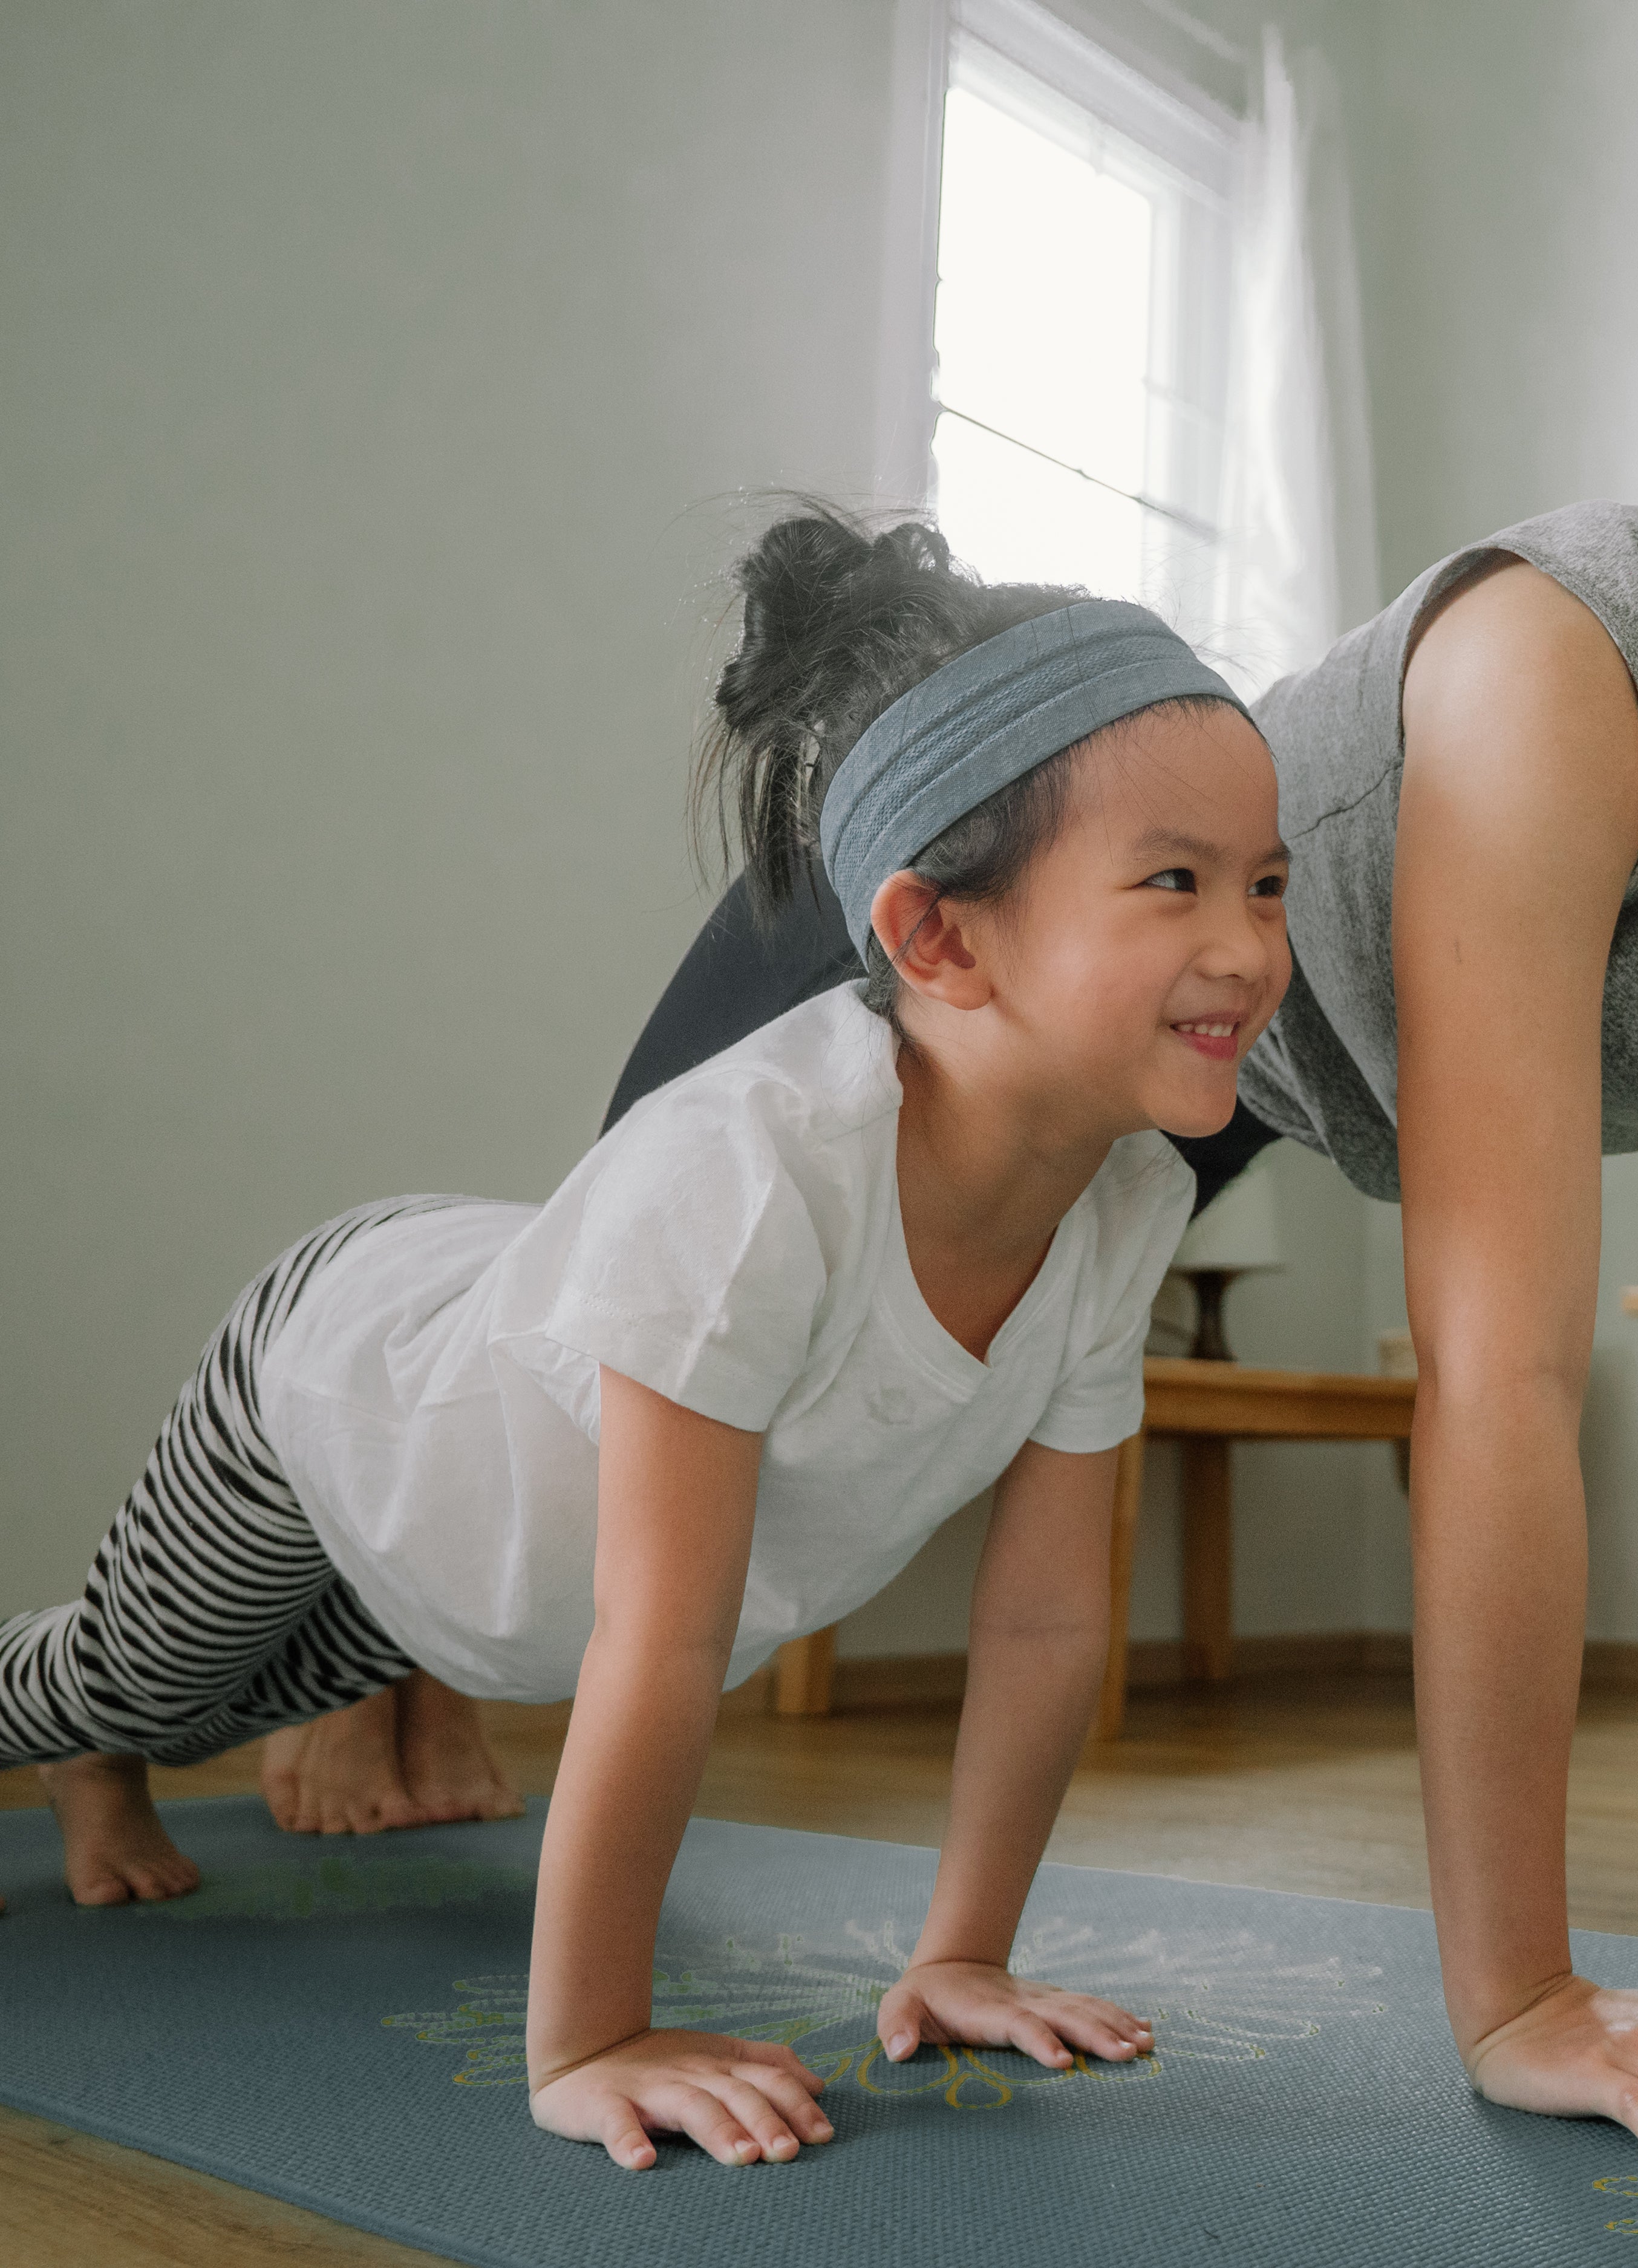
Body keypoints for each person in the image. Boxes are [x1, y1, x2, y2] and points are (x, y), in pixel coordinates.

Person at [317, 336, 1638, 2172]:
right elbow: (1504, 1369)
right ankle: (376, 1648)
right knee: (571, 1383)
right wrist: (1518, 1993)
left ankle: (434, 1680)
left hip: (1234, 1078)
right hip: (1018, 957)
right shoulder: (1585, 663)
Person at [0, 526, 1295, 2173]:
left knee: (252, 1685)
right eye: (1176, 882)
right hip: (336, 1388)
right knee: (138, 1675)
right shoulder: (758, 1172)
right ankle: (89, 1739)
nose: (1251, 948)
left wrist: (962, 1951)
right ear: (940, 940)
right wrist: (594, 2035)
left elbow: (1043, 1618)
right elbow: (661, 1640)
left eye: (1269, 884)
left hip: (479, 1565)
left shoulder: (1121, 1205)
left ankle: (109, 1753)